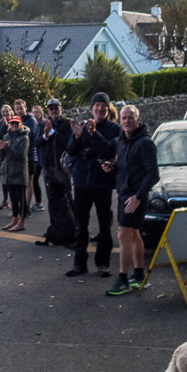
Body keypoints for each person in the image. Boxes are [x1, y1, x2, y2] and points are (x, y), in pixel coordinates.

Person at [104, 105, 159, 297]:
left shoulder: (145, 143)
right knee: (134, 234)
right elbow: (125, 165)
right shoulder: (123, 140)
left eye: (130, 117)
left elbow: (153, 174)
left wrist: (138, 196)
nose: (126, 121)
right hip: (124, 193)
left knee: (123, 234)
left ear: (138, 119)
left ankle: (123, 279)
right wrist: (113, 166)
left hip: (135, 197)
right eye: (123, 118)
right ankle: (138, 275)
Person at [66, 94, 120, 277]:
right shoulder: (81, 126)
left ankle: (103, 264)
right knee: (81, 224)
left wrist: (93, 133)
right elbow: (71, 151)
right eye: (96, 105)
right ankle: (79, 263)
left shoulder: (114, 129)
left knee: (104, 224)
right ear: (92, 108)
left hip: (102, 182)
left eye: (102, 105)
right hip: (82, 181)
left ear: (108, 108)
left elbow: (109, 149)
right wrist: (76, 137)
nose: (99, 109)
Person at [36, 100, 77, 248]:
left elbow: (69, 143)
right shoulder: (43, 124)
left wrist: (53, 134)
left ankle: (75, 230)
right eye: (51, 108)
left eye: (56, 108)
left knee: (68, 199)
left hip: (62, 167)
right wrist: (46, 136)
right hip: (48, 167)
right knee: (52, 200)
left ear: (61, 108)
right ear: (48, 111)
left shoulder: (67, 123)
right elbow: (37, 142)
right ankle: (55, 228)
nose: (54, 111)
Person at [0, 115, 30, 232]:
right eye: (12, 123)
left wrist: (8, 148)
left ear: (20, 124)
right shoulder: (7, 136)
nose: (14, 126)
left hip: (19, 170)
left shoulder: (24, 138)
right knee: (13, 198)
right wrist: (1, 149)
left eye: (17, 123)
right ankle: (14, 220)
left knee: (21, 198)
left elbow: (21, 155)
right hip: (9, 171)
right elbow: (4, 156)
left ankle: (22, 222)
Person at [14, 99, 38, 216]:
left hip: (30, 156)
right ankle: (20, 207)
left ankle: (26, 209)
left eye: (21, 108)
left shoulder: (31, 120)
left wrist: (17, 131)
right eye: (17, 109)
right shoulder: (15, 121)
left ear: (25, 108)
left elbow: (31, 134)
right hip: (18, 157)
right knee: (19, 184)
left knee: (28, 183)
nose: (19, 111)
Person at [0, 104, 13, 210]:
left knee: (14, 177)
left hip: (14, 151)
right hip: (3, 152)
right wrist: (4, 126)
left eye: (7, 111)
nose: (5, 113)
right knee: (5, 176)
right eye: (3, 112)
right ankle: (5, 199)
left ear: (11, 112)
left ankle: (16, 200)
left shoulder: (15, 122)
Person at [29, 104, 46, 212]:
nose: (35, 114)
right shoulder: (34, 124)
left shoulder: (43, 124)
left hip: (40, 156)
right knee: (33, 180)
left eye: (37, 112)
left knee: (34, 180)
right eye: (33, 112)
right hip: (35, 155)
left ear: (41, 113)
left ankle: (39, 203)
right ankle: (36, 202)